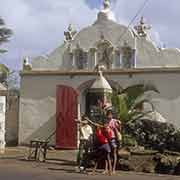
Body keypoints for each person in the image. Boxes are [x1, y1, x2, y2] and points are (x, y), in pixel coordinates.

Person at [106, 110, 122, 174]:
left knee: (114, 154)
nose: (109, 116)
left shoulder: (115, 121)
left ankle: (113, 169)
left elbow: (119, 129)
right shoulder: (106, 121)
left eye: (110, 114)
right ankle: (106, 169)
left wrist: (118, 125)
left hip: (113, 139)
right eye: (108, 114)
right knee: (107, 153)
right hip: (107, 139)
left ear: (112, 115)